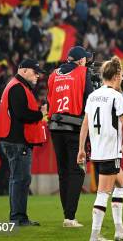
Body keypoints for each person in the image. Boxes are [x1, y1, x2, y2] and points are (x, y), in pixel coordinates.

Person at [77, 56, 123, 241]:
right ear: (116, 76)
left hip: (99, 151)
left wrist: (81, 149)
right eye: (122, 75)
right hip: (110, 152)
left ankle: (119, 230)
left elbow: (85, 124)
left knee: (122, 185)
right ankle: (95, 235)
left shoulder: (93, 96)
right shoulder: (116, 96)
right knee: (102, 194)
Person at [0, 58, 48, 226]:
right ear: (24, 70)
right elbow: (22, 114)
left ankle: (18, 217)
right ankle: (18, 218)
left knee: (18, 179)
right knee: (20, 179)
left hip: (13, 140)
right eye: (35, 71)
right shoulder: (18, 88)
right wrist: (40, 113)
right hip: (17, 141)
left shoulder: (15, 86)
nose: (38, 75)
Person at [47, 45, 94, 227]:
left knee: (63, 172)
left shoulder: (53, 74)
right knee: (77, 170)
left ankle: (67, 215)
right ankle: (70, 216)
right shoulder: (83, 72)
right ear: (81, 60)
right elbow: (90, 100)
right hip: (74, 127)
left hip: (55, 127)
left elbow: (50, 99)